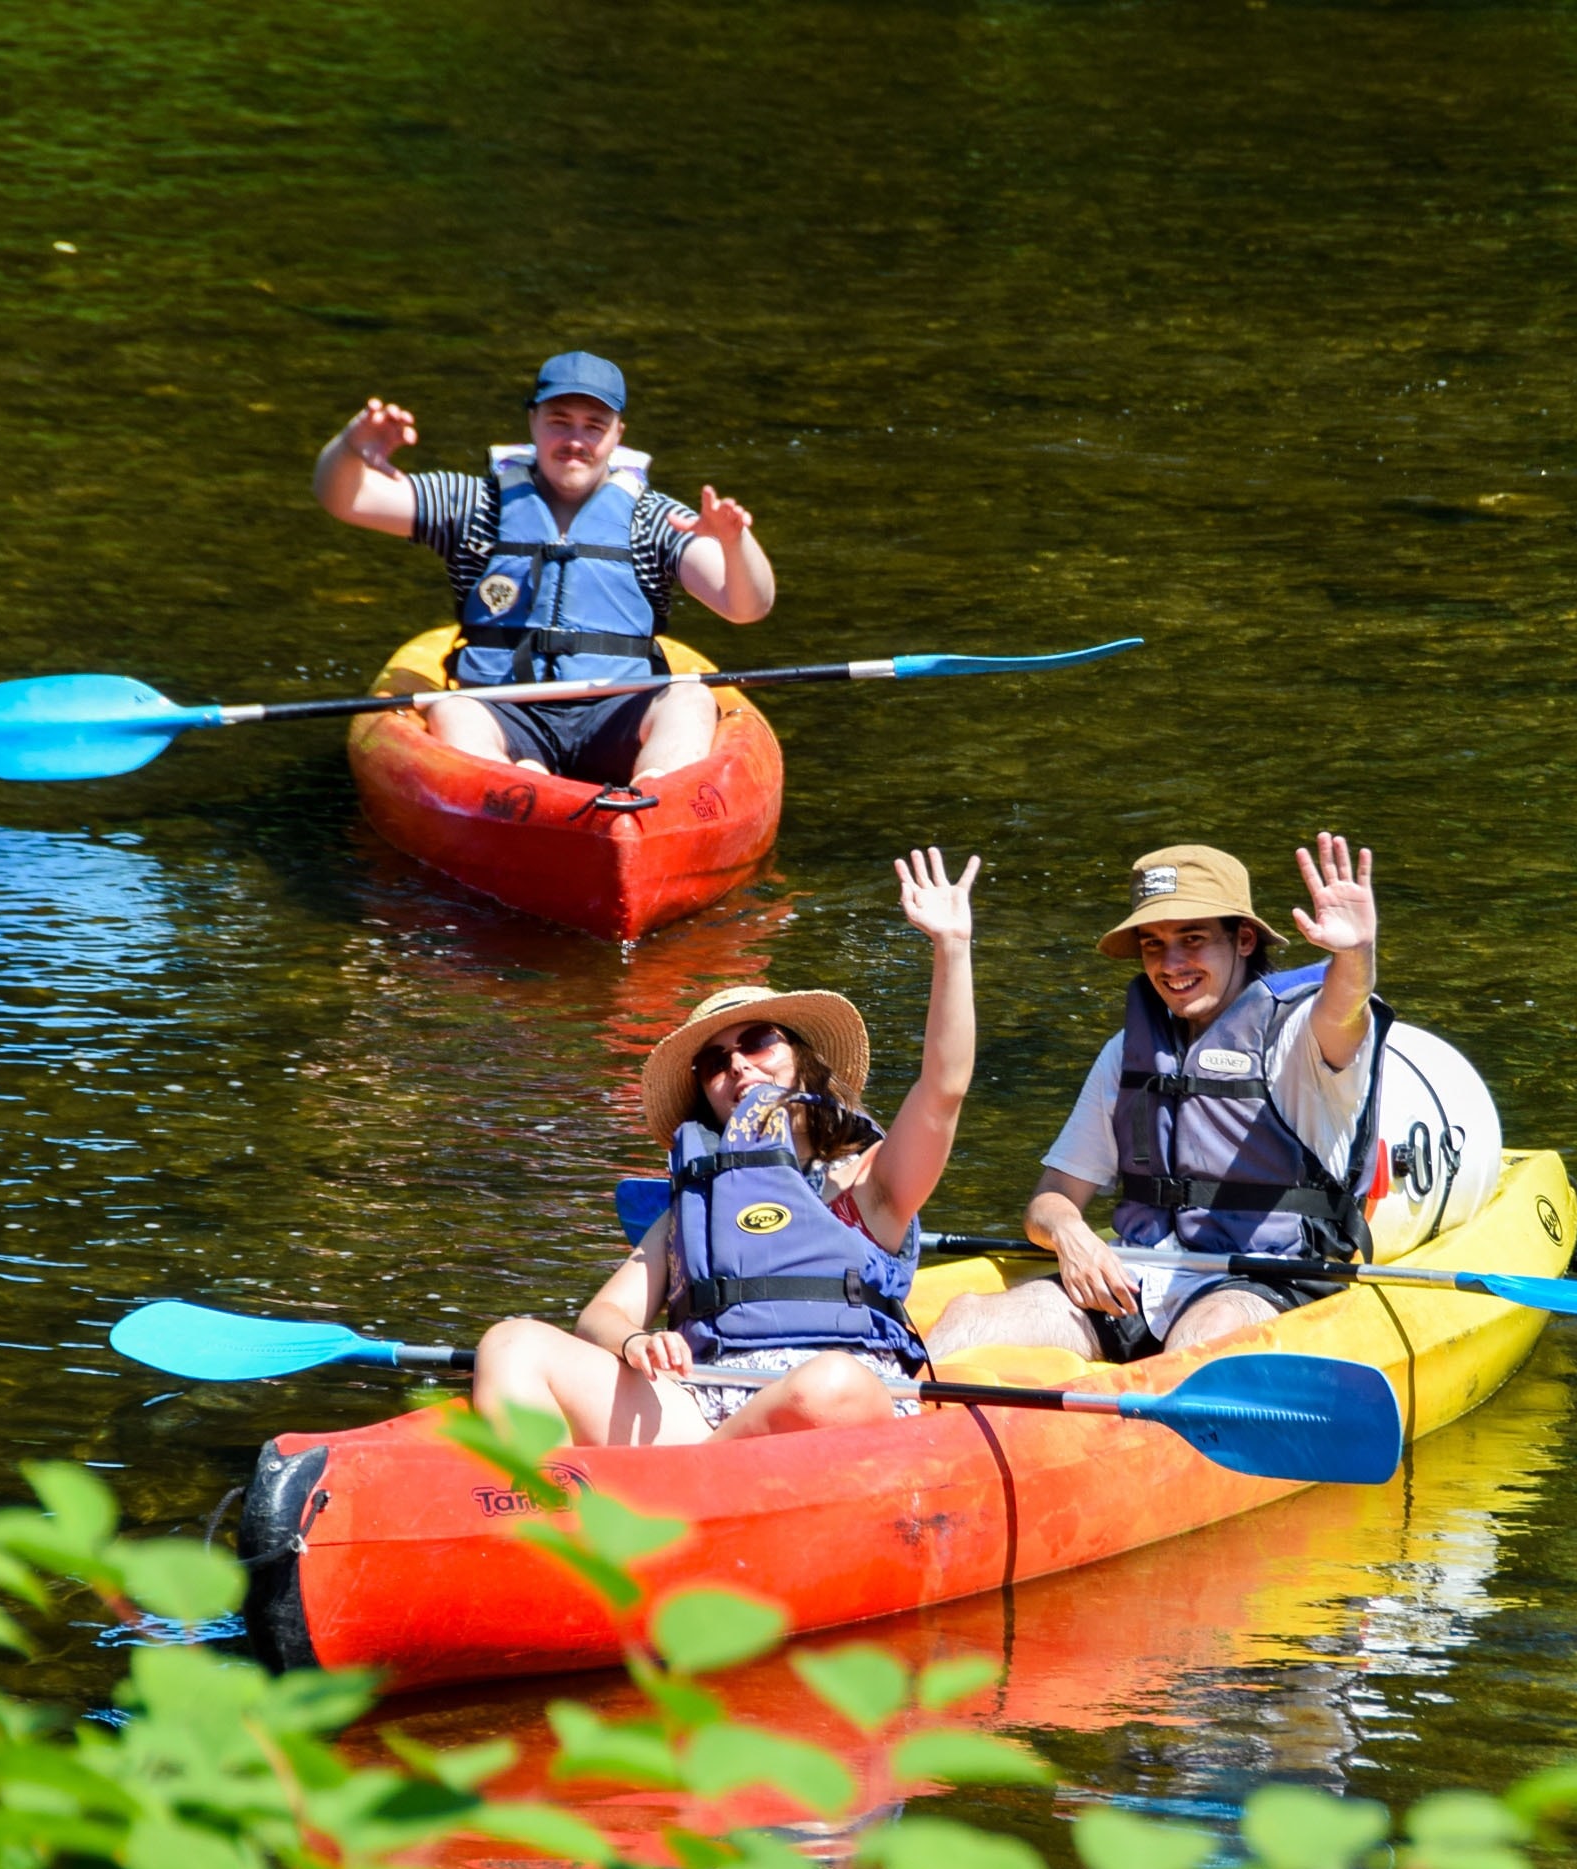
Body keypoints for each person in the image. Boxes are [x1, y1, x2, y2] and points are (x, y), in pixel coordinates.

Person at [473, 849, 980, 1443]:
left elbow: (944, 1090)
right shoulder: (697, 1204)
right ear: (705, 1093)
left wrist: (951, 947)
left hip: (832, 1411)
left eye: (759, 1042)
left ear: (804, 1063)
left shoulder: (869, 1185)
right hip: (702, 1398)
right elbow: (600, 1318)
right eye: (716, 1061)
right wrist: (635, 1342)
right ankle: (552, 1502)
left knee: (831, 1385)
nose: (737, 1065)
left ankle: (685, 1481)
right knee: (511, 1343)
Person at [923, 834, 1386, 1365]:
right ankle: (887, 1432)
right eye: (1153, 944)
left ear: (1244, 941)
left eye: (1192, 939)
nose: (1172, 963)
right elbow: (1049, 1199)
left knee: (1201, 1336)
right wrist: (1070, 1233)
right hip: (1140, 1278)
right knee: (969, 1318)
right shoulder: (1128, 1054)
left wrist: (1355, 954)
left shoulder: (1303, 1036)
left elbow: (1346, 1012)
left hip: (1263, 1279)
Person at [311, 350, 777, 788]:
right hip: (504, 710)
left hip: (617, 713)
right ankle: (519, 787)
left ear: (618, 434)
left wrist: (734, 542)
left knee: (690, 698)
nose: (575, 441)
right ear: (532, 421)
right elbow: (346, 498)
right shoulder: (476, 505)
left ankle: (649, 798)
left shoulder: (652, 519)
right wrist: (351, 447)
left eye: (594, 426)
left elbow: (746, 607)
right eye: (559, 422)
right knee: (454, 709)